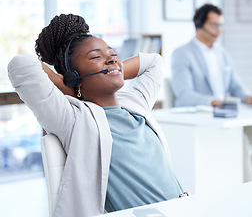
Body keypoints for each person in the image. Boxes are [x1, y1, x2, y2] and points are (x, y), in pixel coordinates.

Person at [8, 14, 188, 217]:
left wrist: (114, 68)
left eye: (112, 54)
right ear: (73, 76)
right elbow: (21, 65)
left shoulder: (136, 103)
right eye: (95, 57)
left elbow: (154, 62)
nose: (111, 58)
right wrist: (67, 83)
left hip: (182, 208)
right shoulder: (74, 119)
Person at [171, 4, 252, 182]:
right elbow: (184, 95)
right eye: (214, 25)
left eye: (221, 25)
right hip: (206, 120)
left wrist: (248, 97)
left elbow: (235, 85)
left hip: (228, 117)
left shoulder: (222, 53)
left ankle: (246, 178)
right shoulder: (182, 54)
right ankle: (246, 186)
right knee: (241, 138)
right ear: (198, 23)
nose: (219, 30)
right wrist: (214, 102)